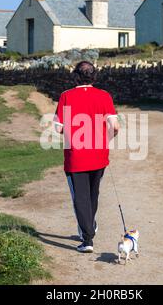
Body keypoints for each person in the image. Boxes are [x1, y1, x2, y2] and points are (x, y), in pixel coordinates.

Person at [54, 61, 120, 254]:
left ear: (76, 76)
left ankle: (88, 238)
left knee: (80, 198)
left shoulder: (66, 96)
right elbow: (115, 127)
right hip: (99, 154)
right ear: (94, 76)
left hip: (76, 157)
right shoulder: (104, 96)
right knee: (93, 194)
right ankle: (89, 226)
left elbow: (58, 128)